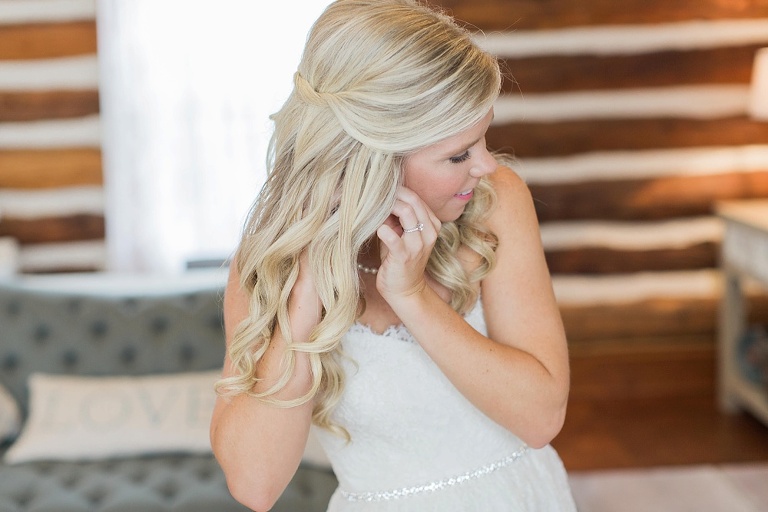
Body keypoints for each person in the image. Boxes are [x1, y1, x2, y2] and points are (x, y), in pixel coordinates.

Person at [210, 0, 576, 510]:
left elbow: (540, 419)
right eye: (458, 154)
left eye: (482, 138)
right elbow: (255, 486)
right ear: (371, 162)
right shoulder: (267, 266)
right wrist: (307, 288)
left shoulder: (496, 204)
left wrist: (412, 298)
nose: (486, 164)